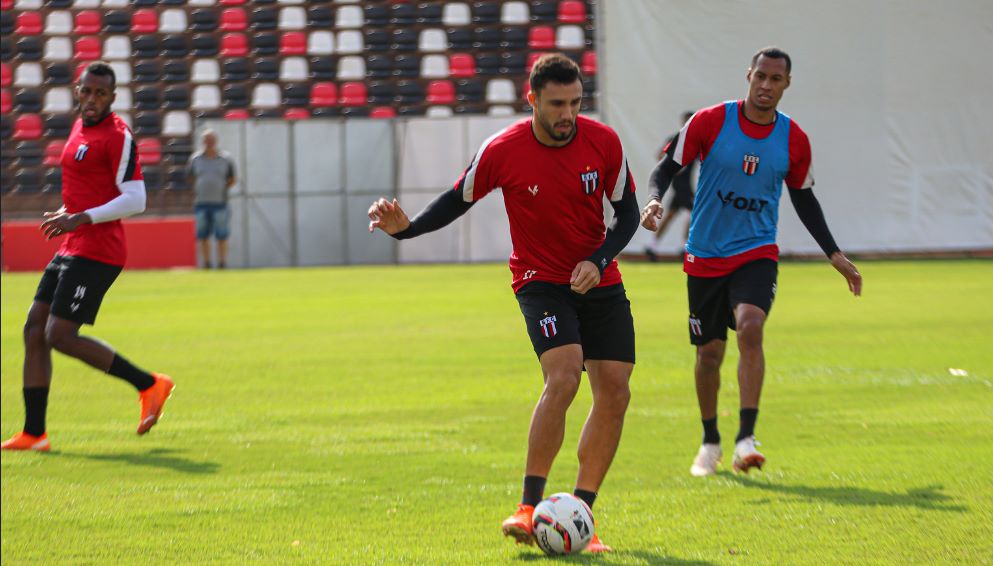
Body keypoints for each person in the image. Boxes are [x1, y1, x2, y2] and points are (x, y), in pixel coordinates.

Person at [368, 54, 639, 552]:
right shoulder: (503, 150)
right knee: (564, 374)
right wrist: (406, 230)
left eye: (576, 103)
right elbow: (457, 198)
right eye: (557, 104)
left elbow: (627, 217)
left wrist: (599, 261)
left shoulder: (605, 143)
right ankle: (528, 506)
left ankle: (580, 515)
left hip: (597, 278)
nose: (568, 115)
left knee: (616, 391)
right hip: (540, 280)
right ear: (531, 98)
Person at [640, 47, 862, 477]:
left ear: (786, 85)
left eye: (775, 79)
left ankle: (746, 439)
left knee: (751, 325)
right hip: (704, 254)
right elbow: (665, 168)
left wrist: (834, 253)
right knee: (709, 355)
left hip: (756, 251)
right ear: (748, 76)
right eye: (760, 76)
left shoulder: (793, 139)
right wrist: (652, 202)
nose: (766, 85)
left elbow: (803, 196)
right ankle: (710, 441)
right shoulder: (710, 121)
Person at [1, 62, 175, 452]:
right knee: (33, 330)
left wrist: (81, 217)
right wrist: (70, 214)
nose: (93, 99)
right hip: (73, 243)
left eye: (101, 94)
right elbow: (87, 185)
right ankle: (34, 433)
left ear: (113, 98)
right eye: (87, 92)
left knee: (59, 335)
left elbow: (136, 198)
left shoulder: (118, 134)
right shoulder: (79, 127)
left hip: (100, 251)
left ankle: (149, 384)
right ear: (77, 91)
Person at [645, 111, 697, 261]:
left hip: (685, 185)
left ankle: (652, 246)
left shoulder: (697, 140)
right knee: (693, 213)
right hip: (681, 185)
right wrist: (675, 166)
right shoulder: (676, 139)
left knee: (671, 215)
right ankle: (684, 247)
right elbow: (660, 156)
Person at [187, 129, 236, 269]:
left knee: (222, 236)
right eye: (207, 140)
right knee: (203, 236)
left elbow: (232, 179)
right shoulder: (195, 159)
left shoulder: (226, 159)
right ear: (203, 142)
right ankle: (207, 263)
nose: (209, 143)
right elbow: (190, 178)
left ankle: (222, 263)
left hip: (220, 203)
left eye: (212, 140)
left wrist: (221, 189)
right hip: (201, 203)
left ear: (216, 141)